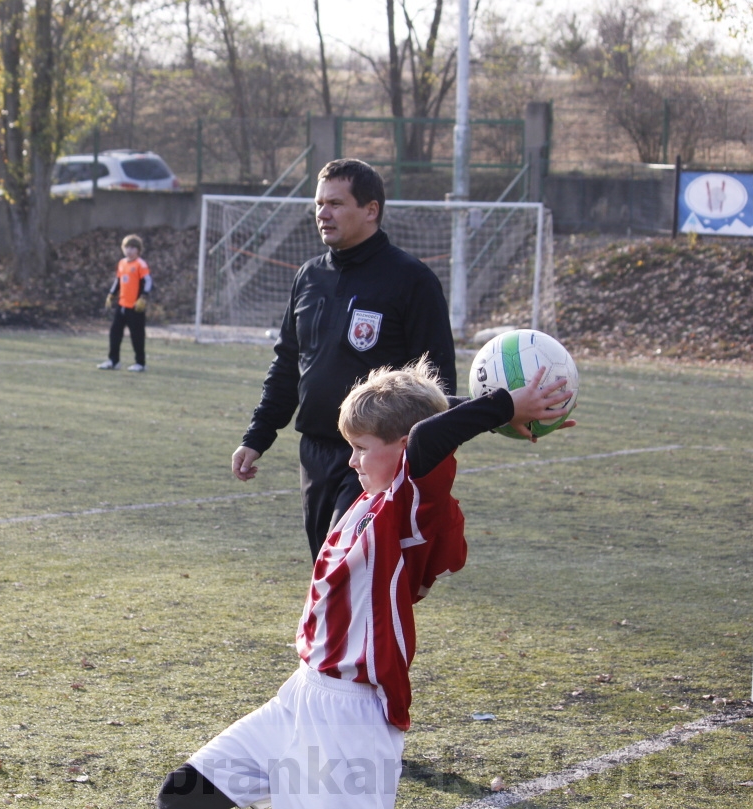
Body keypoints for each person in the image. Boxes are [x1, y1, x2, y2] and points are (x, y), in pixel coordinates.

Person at [159, 361, 575, 809]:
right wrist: (496, 414)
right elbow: (419, 422)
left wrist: (505, 405)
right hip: (302, 693)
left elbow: (427, 434)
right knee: (187, 795)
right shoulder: (377, 493)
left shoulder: (413, 501)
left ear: (402, 449)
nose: (352, 459)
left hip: (351, 717)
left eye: (360, 448)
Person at [231, 158, 456, 560]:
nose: (323, 213)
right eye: (319, 204)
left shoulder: (411, 279)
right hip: (315, 452)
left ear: (370, 210)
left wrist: (422, 455)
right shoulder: (309, 277)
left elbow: (437, 381)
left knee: (349, 564)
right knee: (326, 566)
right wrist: (257, 436)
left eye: (335, 203)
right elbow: (288, 364)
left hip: (376, 454)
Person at [98, 234, 152, 372]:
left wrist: (143, 297)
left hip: (135, 307)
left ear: (138, 250)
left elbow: (148, 281)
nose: (129, 250)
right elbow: (118, 280)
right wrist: (111, 294)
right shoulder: (122, 263)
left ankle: (140, 363)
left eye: (133, 248)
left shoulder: (140, 264)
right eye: (127, 247)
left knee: (137, 335)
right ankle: (113, 361)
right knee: (115, 333)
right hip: (122, 305)